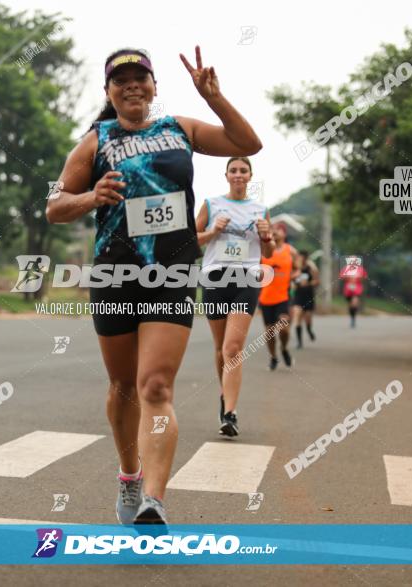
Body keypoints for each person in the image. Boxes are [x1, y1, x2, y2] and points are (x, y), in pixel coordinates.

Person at [46, 47, 261, 526]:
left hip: (171, 274)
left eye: (139, 77)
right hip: (116, 273)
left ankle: (154, 499)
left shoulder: (179, 130)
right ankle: (129, 477)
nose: (131, 86)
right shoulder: (94, 141)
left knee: (156, 386)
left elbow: (249, 141)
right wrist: (89, 196)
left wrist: (215, 98)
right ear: (108, 92)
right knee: (123, 386)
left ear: (154, 86)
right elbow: (54, 206)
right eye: (119, 80)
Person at [196, 156, 273, 437]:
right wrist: (213, 231)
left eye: (243, 170)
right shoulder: (211, 204)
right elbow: (190, 241)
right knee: (221, 348)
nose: (238, 174)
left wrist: (267, 238)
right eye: (234, 170)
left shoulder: (261, 209)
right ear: (226, 175)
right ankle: (224, 396)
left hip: (246, 277)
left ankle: (230, 413)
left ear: (250, 177)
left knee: (232, 348)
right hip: (215, 277)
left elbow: (269, 254)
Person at [258, 222, 299, 369]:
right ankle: (274, 357)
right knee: (269, 333)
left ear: (284, 234)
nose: (274, 232)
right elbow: (257, 270)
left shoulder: (291, 251)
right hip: (266, 297)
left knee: (283, 328)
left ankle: (284, 348)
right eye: (272, 229)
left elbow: (297, 269)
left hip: (284, 296)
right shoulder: (263, 250)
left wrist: (292, 276)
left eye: (278, 230)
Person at [290, 250, 319, 348]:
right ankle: (299, 342)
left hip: (308, 296)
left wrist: (309, 283)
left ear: (305, 258)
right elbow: (290, 278)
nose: (300, 259)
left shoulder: (310, 268)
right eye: (299, 257)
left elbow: (317, 281)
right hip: (298, 296)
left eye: (302, 257)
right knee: (297, 317)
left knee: (308, 319)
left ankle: (309, 330)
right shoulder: (294, 268)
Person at [341, 259, 367, 328]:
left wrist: (357, 278)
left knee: (354, 303)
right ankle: (352, 317)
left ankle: (353, 319)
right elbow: (342, 277)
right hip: (348, 289)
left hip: (357, 289)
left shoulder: (360, 269)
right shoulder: (345, 268)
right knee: (350, 305)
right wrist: (348, 278)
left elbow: (364, 277)